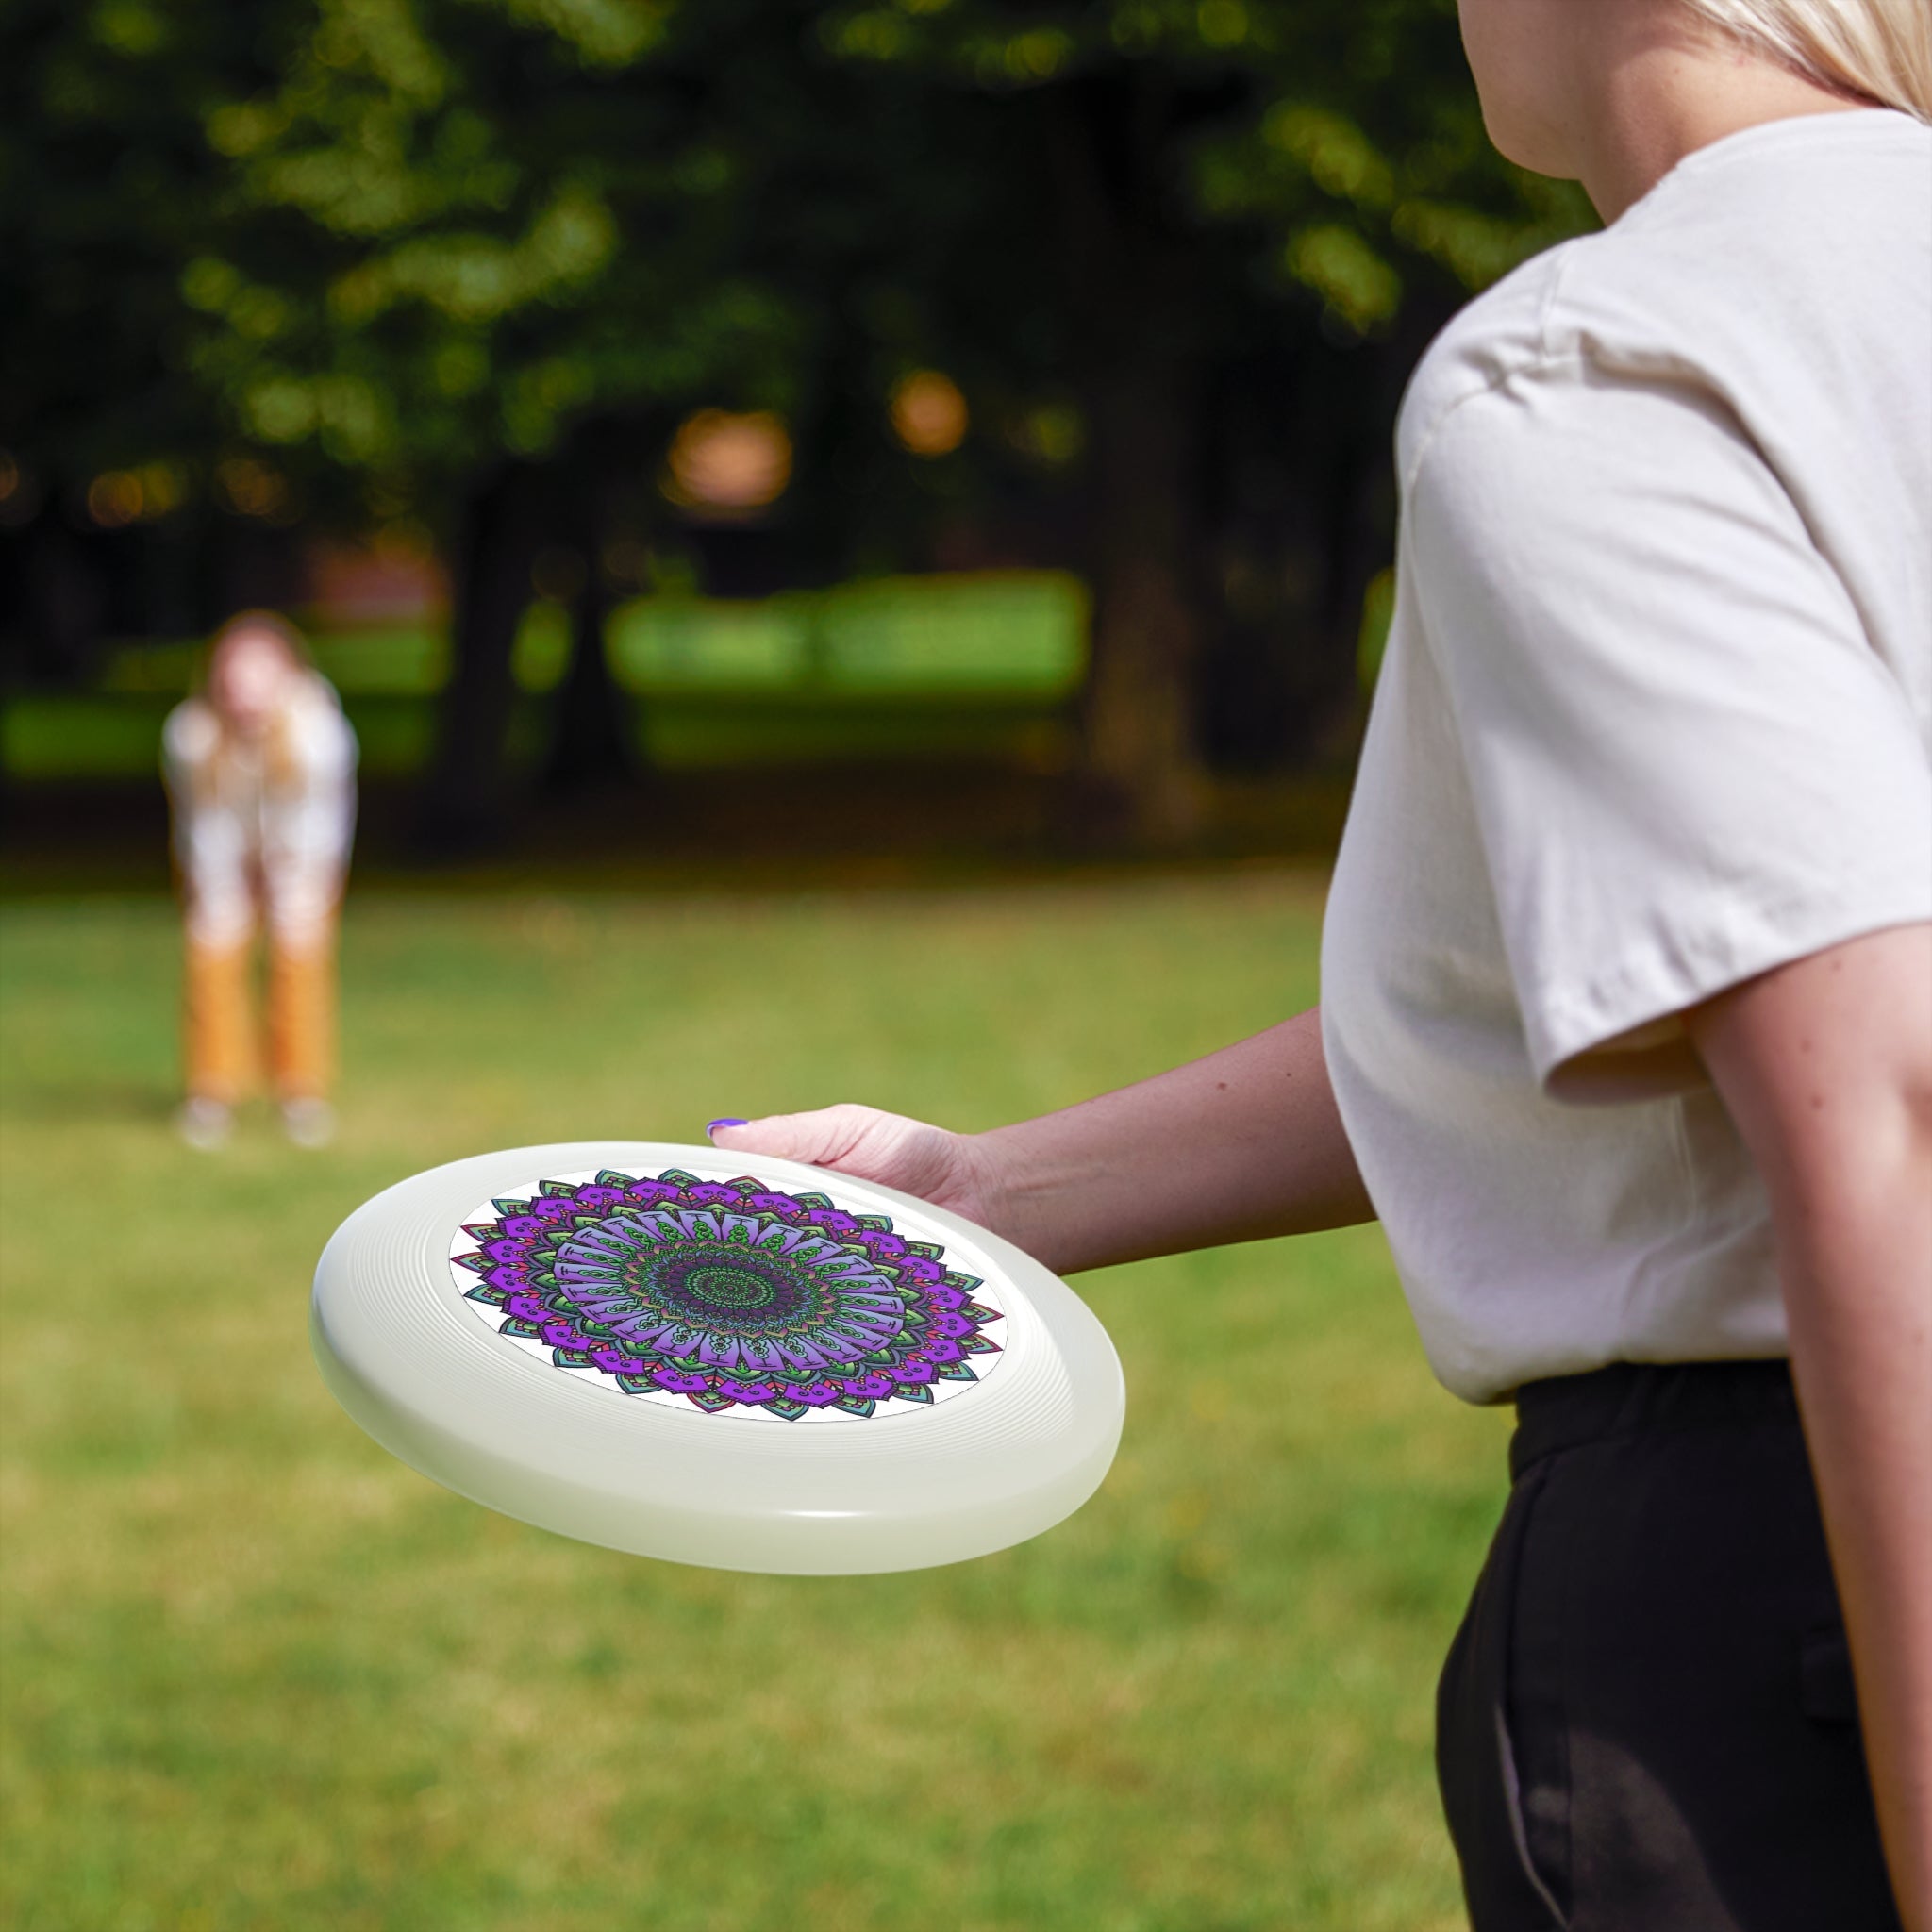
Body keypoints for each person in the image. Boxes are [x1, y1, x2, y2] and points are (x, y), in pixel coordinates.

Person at [705, 2, 1932, 1925]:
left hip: (1794, 1593)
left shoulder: (1609, 362)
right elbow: (1626, 990)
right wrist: (986, 1188)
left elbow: (1885, 1101)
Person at [162, 611, 358, 1151]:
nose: (244, 691)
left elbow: (317, 823)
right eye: (233, 675)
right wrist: (225, 886)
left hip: (302, 859)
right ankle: (212, 1091)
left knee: (299, 959)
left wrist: (287, 880)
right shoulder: (191, 735)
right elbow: (204, 823)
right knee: (212, 953)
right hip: (221, 857)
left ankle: (301, 1092)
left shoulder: (319, 733)